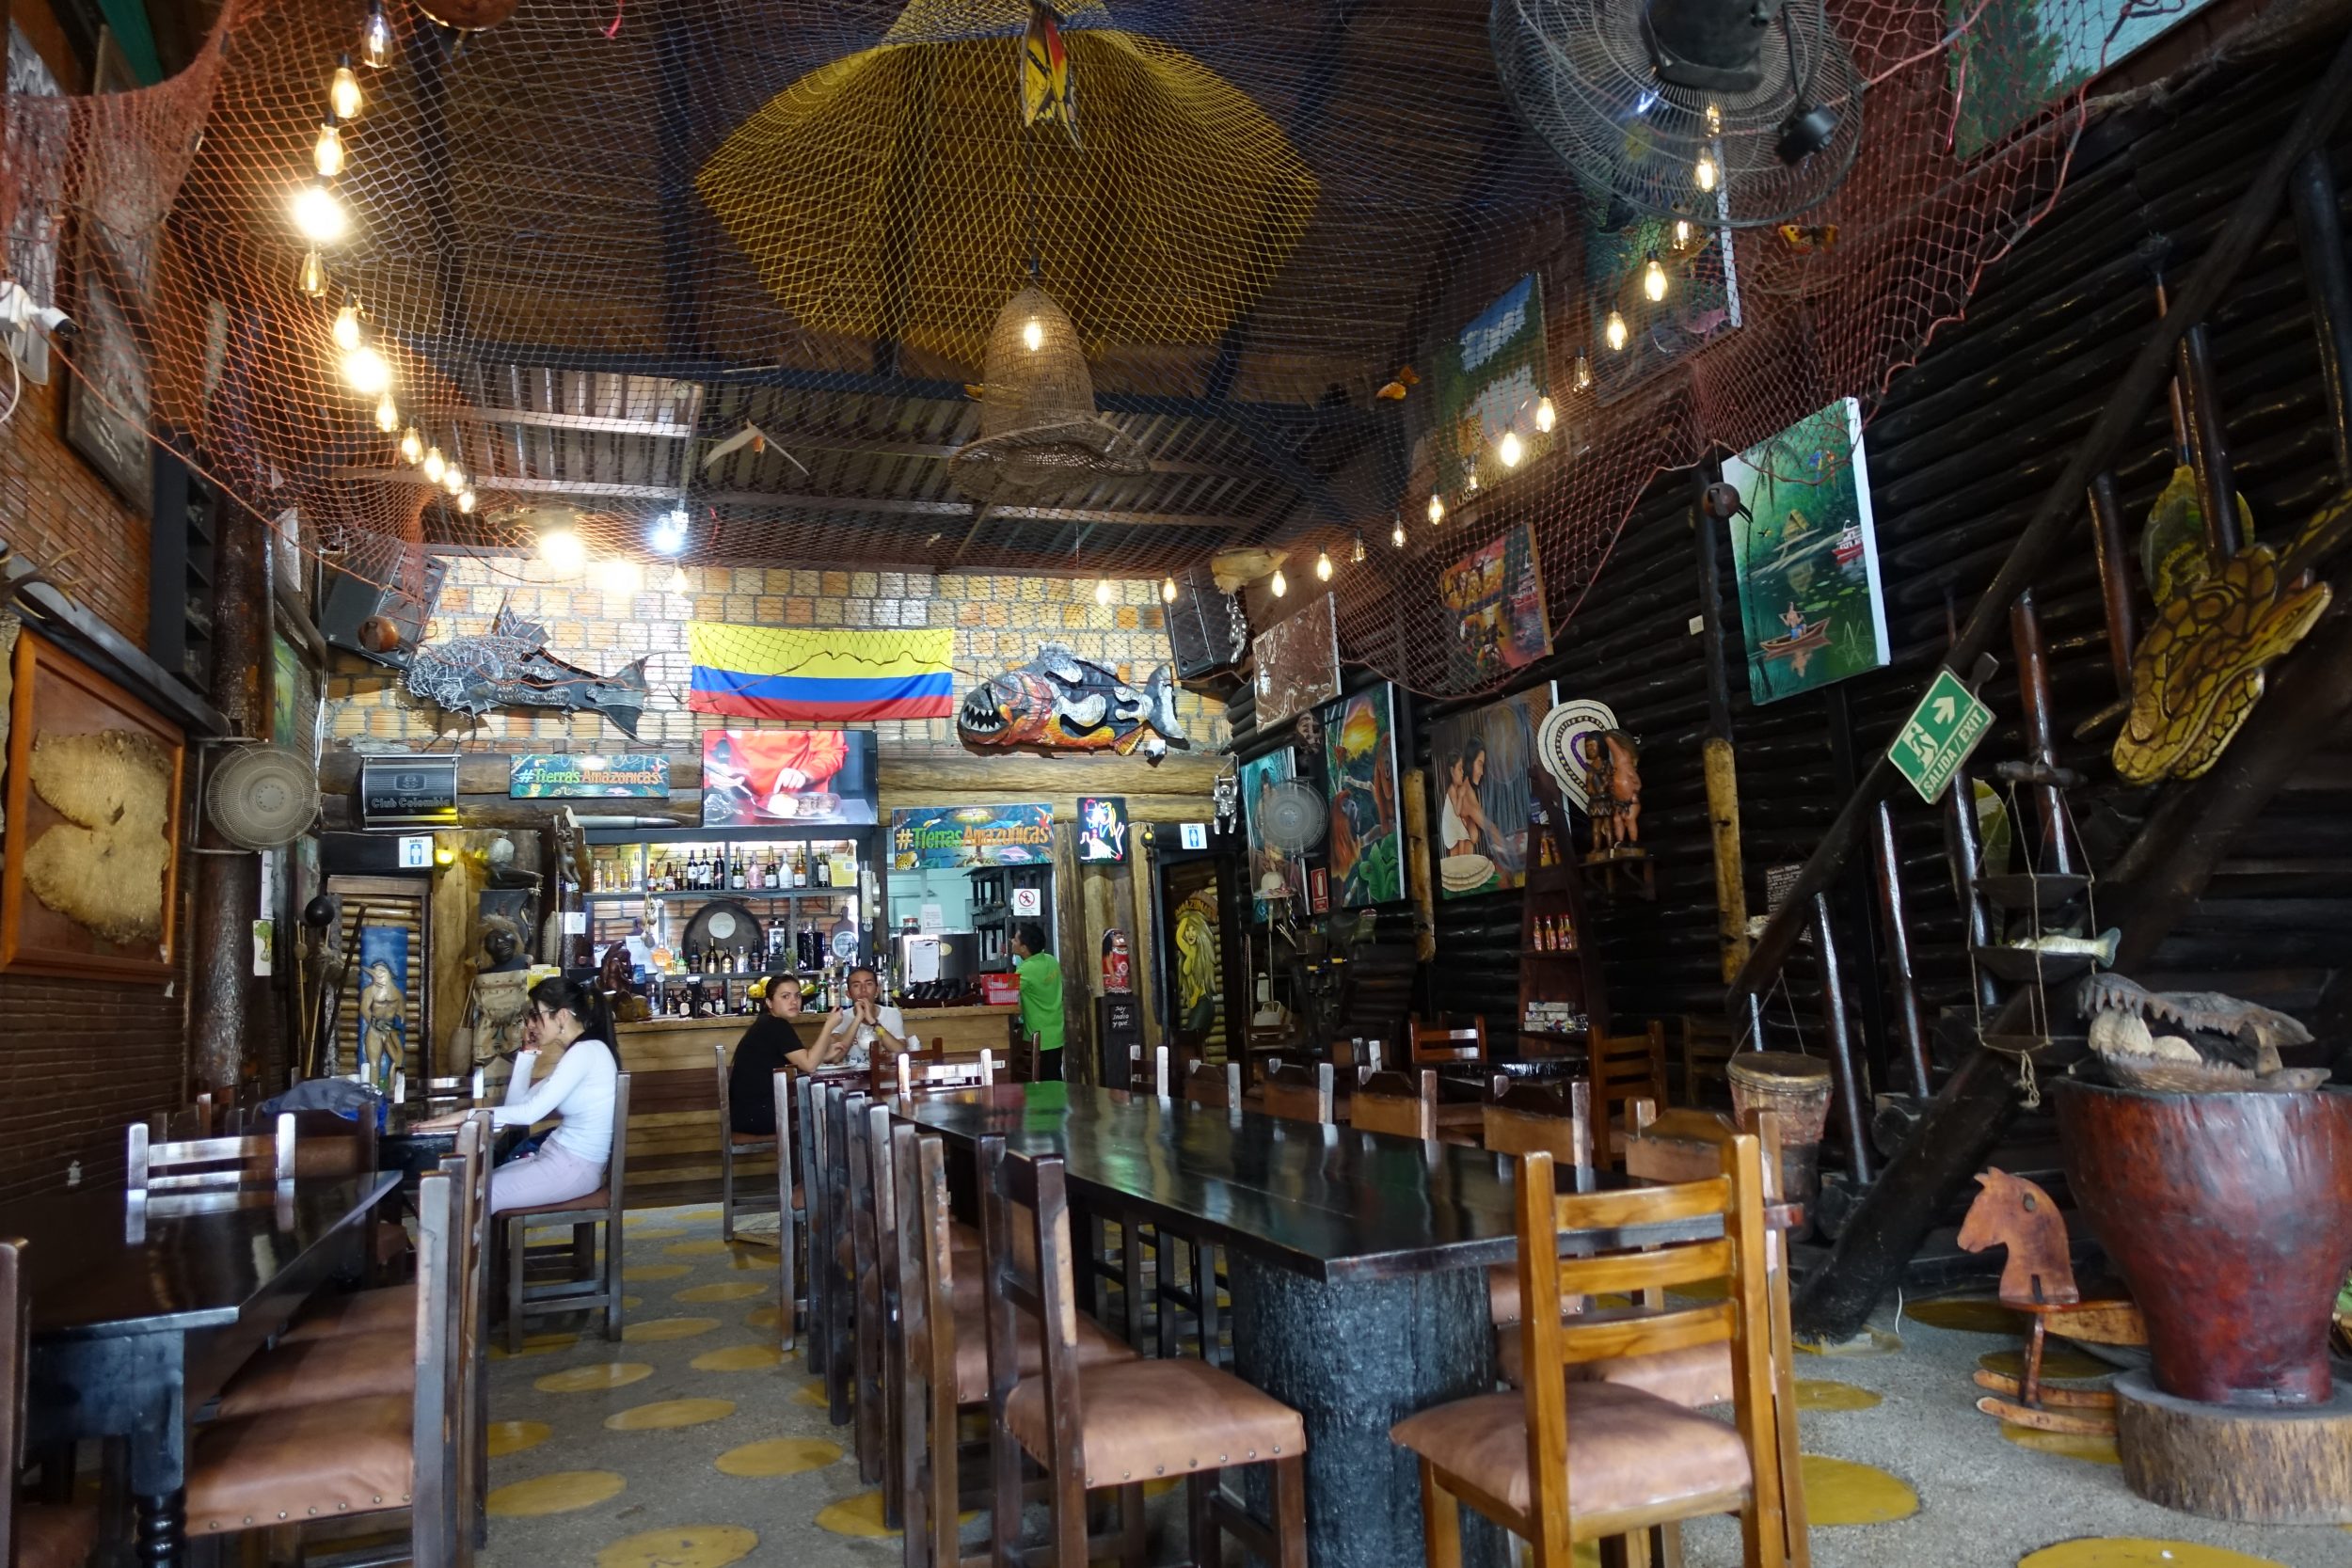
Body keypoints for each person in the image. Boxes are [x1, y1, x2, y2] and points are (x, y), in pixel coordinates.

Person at [416, 974, 617, 1213]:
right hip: (558, 1160)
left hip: (573, 1168)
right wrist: (527, 1054)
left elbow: (529, 1114)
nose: (530, 1025)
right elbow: (517, 1106)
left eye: (536, 1015)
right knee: (468, 1186)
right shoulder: (584, 1051)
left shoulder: (586, 1053)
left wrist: (466, 1115)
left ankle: (453, 1239)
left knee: (470, 1196)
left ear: (562, 1015)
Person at [788, 965, 905, 1074]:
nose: (863, 990)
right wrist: (858, 1019)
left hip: (885, 1078)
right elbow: (836, 1057)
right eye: (856, 985)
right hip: (850, 1080)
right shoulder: (840, 1017)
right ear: (848, 994)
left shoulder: (892, 1014)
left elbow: (900, 1051)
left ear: (877, 990)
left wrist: (873, 1022)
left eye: (869, 984)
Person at [727, 976, 803, 1135]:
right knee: (822, 1111)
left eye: (797, 995)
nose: (794, 1001)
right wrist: (829, 1025)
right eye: (785, 996)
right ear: (769, 1002)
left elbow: (805, 1059)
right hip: (758, 1116)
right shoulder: (776, 1025)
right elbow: (808, 1064)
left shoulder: (767, 1022)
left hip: (748, 1113)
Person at [1010, 922, 1065, 1081]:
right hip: (1056, 1033)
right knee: (1054, 1079)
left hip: (1038, 1038)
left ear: (1024, 948)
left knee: (1040, 1085)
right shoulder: (1051, 960)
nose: (1012, 941)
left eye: (1015, 939)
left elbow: (1006, 993)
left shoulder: (1026, 970)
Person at [1441, 736, 1496, 859]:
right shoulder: (1454, 790)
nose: (1482, 772)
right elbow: (1457, 811)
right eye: (1480, 764)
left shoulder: (1464, 789)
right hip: (1452, 830)